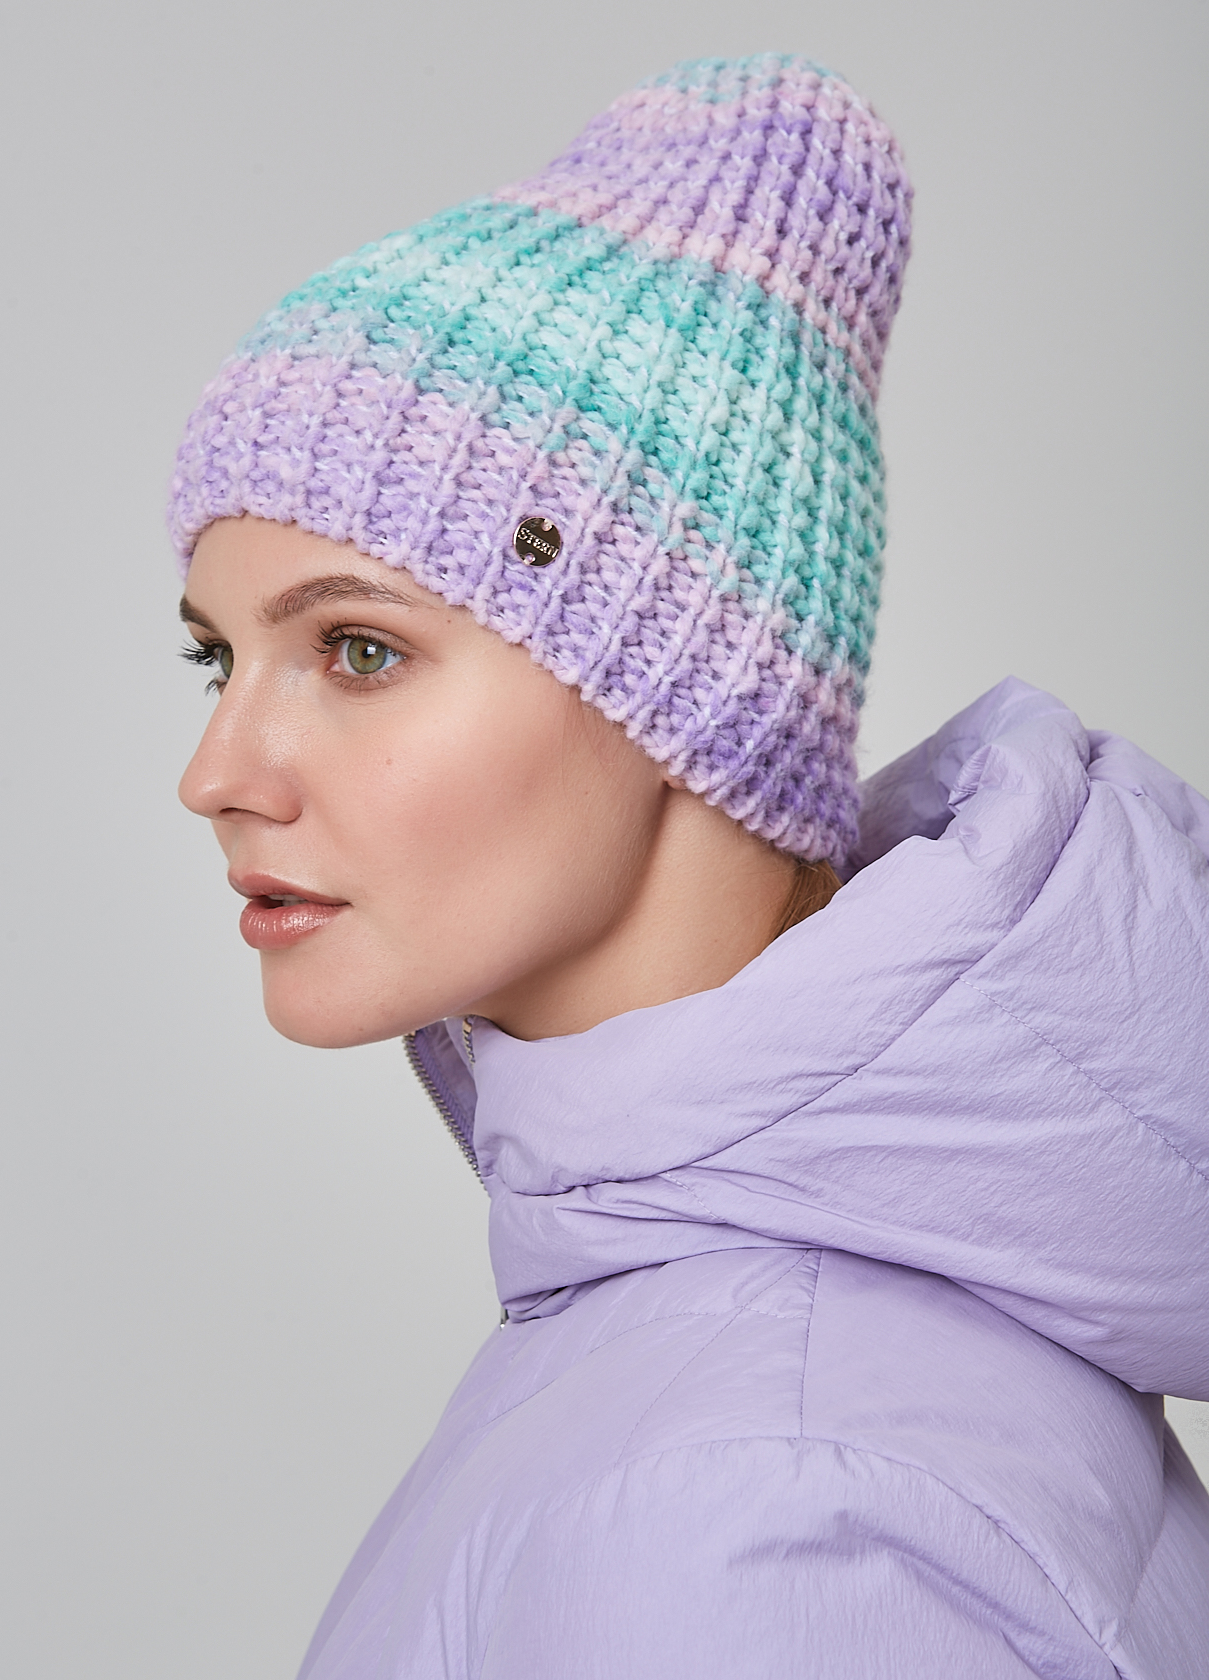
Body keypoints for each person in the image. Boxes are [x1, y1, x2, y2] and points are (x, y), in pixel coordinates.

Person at [169, 53, 1209, 1679]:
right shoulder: (733, 1353)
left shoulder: (749, 1508)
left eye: (358, 650)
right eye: (213, 659)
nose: (216, 775)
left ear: (691, 686)